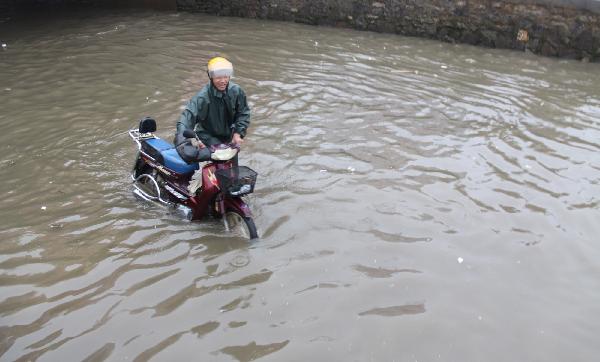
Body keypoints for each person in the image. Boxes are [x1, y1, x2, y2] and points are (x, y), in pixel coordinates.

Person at [175, 56, 251, 149]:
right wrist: (182, 139)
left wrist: (238, 133)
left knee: (232, 161)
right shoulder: (203, 97)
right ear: (211, 77)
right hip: (208, 137)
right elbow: (186, 118)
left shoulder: (236, 91)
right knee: (219, 159)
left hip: (230, 136)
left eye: (226, 77)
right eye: (218, 77)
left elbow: (243, 113)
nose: (223, 81)